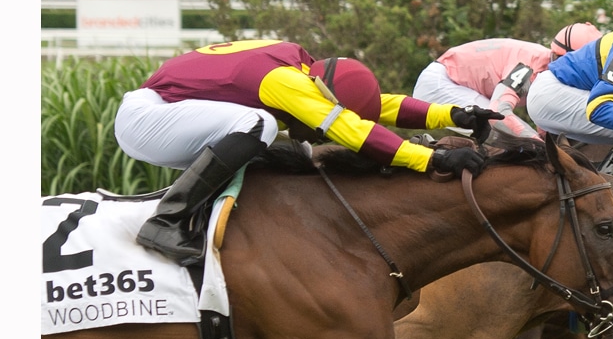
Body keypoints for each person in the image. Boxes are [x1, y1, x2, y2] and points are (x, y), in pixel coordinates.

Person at [114, 39, 503, 265]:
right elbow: (352, 130)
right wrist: (432, 159)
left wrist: (454, 114)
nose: (319, 137)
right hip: (147, 120)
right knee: (261, 125)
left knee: (282, 143)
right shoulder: (285, 82)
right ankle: (165, 221)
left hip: (175, 113)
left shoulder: (306, 72)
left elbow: (377, 106)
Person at [412, 25, 602, 139]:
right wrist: (537, 144)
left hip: (458, 81)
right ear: (564, 57)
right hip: (441, 82)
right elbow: (498, 112)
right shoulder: (529, 67)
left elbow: (545, 121)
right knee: (501, 132)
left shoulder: (550, 68)